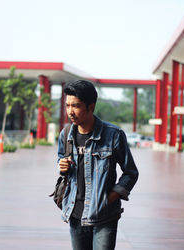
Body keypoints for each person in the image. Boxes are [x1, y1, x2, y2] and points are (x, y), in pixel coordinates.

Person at [58, 80, 139, 250]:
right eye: (67, 105)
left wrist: (109, 199)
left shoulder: (113, 135)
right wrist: (62, 165)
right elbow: (61, 160)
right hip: (75, 214)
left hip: (104, 216)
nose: (70, 112)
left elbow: (131, 172)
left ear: (91, 107)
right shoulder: (65, 135)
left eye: (76, 106)